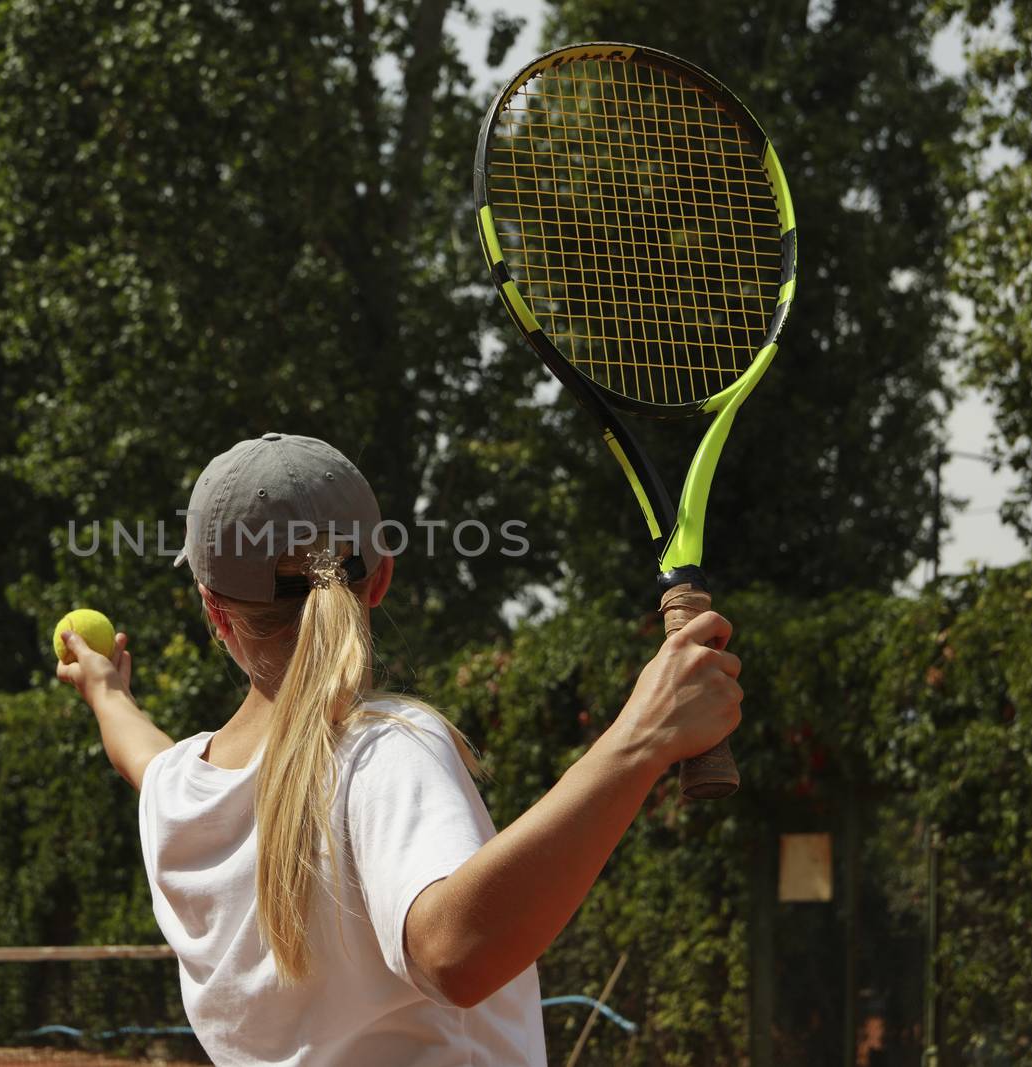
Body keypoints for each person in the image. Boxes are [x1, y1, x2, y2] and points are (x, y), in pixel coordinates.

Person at [56, 433, 741, 1066]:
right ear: (379, 579)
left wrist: (103, 690)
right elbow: (453, 955)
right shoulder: (383, 751)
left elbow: (137, 751)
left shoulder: (181, 790)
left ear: (214, 611)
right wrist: (640, 739)